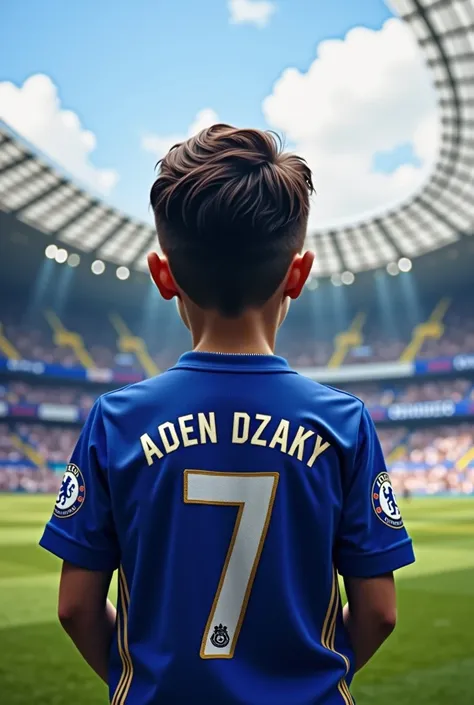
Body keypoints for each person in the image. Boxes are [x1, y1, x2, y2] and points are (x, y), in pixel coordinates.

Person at [39, 125, 415, 705]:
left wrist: (138, 681)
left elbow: (74, 607)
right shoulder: (343, 421)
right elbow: (380, 612)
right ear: (299, 273)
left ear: (163, 277)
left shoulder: (116, 420)